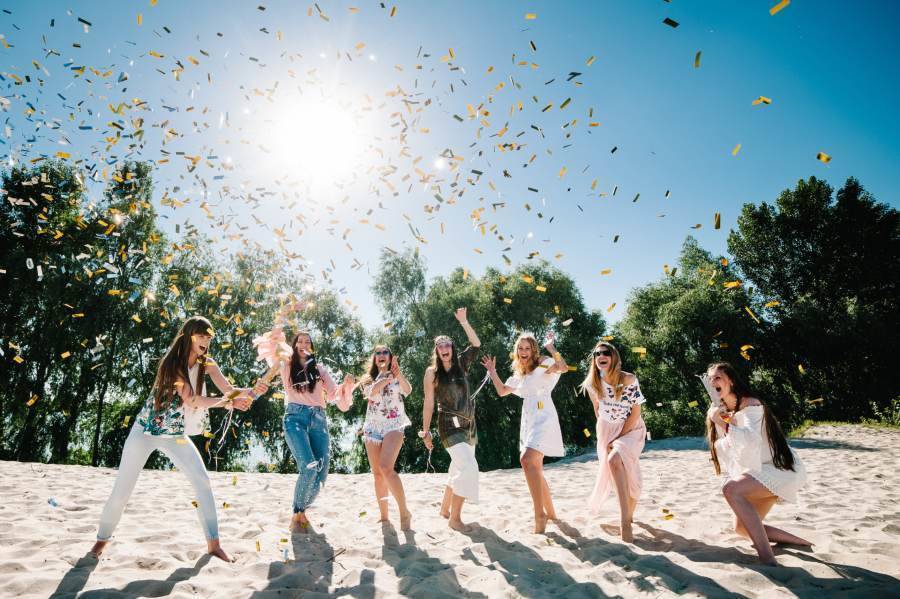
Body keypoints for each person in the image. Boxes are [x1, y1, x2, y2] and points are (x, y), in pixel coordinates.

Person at [90, 316, 264, 561]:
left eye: (209, 337)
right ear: (189, 336)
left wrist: (253, 391)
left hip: (175, 435)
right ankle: (101, 541)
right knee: (122, 490)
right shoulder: (171, 363)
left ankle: (214, 544)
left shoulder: (209, 363)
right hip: (145, 432)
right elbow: (192, 399)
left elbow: (229, 390)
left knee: (202, 482)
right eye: (201, 336)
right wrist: (228, 403)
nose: (206, 341)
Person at [705, 362, 811, 566]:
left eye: (717, 377)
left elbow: (752, 441)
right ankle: (798, 541)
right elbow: (730, 448)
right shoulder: (721, 409)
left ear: (731, 381)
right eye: (710, 379)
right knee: (741, 529)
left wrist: (722, 423)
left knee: (730, 489)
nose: (712, 381)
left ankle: (768, 559)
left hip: (779, 469)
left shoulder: (752, 404)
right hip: (757, 471)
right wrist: (720, 420)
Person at [482, 332, 567, 533]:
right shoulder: (519, 375)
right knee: (535, 466)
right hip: (529, 419)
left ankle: (540, 515)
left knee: (526, 460)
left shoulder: (544, 363)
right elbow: (502, 391)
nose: (524, 352)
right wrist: (492, 371)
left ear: (534, 350)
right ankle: (552, 514)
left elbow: (562, 367)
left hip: (544, 415)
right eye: (520, 348)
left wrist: (552, 348)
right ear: (516, 351)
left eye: (527, 348)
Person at [278, 327, 355, 532]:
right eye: (300, 341)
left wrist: (347, 386)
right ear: (294, 346)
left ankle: (302, 511)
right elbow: (275, 339)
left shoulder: (319, 370)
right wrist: (287, 310)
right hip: (295, 418)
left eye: (308, 342)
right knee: (309, 466)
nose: (304, 345)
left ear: (312, 347)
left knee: (321, 474)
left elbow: (334, 395)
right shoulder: (286, 365)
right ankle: (297, 513)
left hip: (319, 420)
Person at [421, 307, 482, 532]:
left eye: (447, 344)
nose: (444, 348)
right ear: (436, 350)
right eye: (440, 345)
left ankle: (445, 509)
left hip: (469, 423)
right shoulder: (432, 373)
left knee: (458, 467)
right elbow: (428, 402)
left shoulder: (462, 363)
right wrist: (425, 431)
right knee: (468, 467)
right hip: (448, 424)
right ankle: (455, 519)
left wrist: (464, 322)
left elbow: (476, 344)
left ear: (452, 348)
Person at [580, 341, 646, 542]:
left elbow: (635, 412)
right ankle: (629, 515)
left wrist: (618, 437)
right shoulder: (592, 383)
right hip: (606, 429)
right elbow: (597, 410)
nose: (601, 355)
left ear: (613, 356)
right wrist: (606, 435)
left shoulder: (628, 379)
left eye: (606, 352)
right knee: (622, 473)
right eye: (597, 353)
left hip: (631, 428)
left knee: (615, 460)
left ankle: (624, 522)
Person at [359, 344, 413, 530]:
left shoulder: (396, 376)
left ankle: (404, 511)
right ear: (375, 358)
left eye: (385, 352)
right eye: (378, 353)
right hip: (372, 427)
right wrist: (384, 377)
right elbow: (370, 392)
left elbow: (408, 390)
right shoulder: (367, 379)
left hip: (394, 425)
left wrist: (397, 375)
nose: (381, 355)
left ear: (390, 357)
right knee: (377, 474)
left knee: (385, 467)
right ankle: (384, 516)